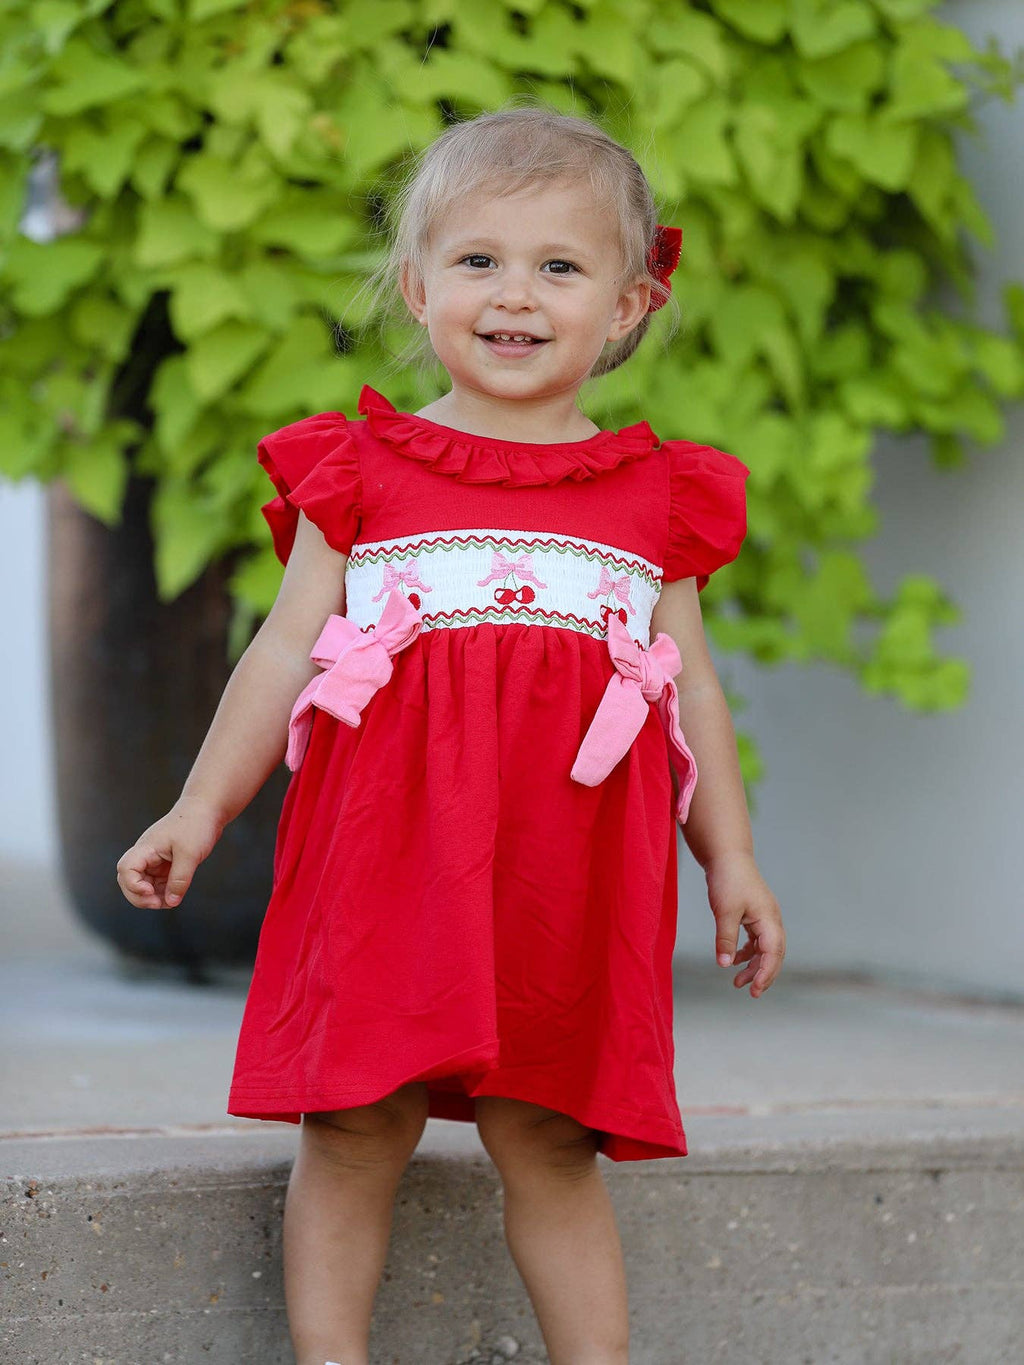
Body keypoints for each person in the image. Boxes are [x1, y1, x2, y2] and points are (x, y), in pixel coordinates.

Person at [117, 102, 786, 1365]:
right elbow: (277, 656)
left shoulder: (652, 499)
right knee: (355, 1119)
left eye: (559, 266)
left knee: (548, 1132)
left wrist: (731, 863)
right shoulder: (361, 474)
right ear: (418, 287)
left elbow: (690, 693)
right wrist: (194, 811)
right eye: (478, 261)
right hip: (386, 860)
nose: (513, 295)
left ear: (632, 304)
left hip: (565, 878)